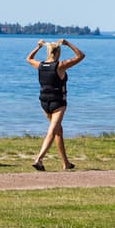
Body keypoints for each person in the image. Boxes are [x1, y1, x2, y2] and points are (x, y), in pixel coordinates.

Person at [27, 38, 85, 171]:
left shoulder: (40, 65)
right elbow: (81, 56)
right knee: (52, 132)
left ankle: (66, 163)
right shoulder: (60, 65)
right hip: (58, 103)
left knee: (58, 131)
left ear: (48, 52)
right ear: (58, 52)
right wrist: (68, 43)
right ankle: (39, 159)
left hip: (44, 102)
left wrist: (38, 47)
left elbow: (29, 58)